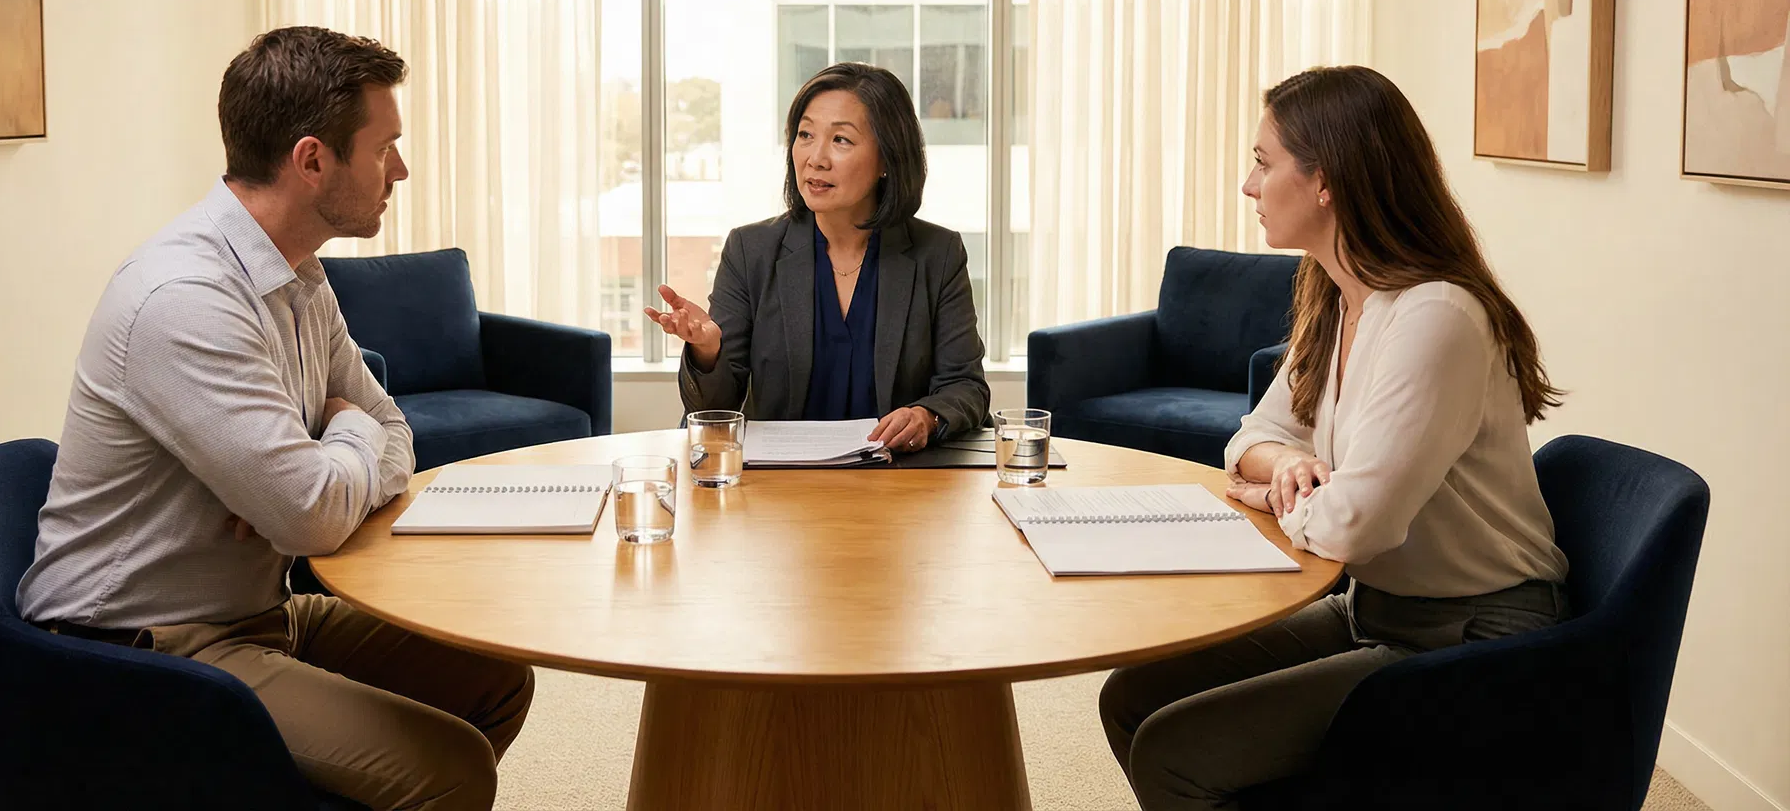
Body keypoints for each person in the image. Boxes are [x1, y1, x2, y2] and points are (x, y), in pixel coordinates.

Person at [16, 26, 533, 811]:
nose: (402, 169)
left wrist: (331, 444)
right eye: (385, 146)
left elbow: (393, 430)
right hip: (136, 651)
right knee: (451, 768)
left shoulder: (298, 276)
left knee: (496, 676)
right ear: (313, 159)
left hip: (257, 613)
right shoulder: (185, 299)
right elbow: (315, 515)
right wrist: (329, 450)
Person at [1096, 65, 1569, 809]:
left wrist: (1268, 492)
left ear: (1327, 182)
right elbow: (1251, 434)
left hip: (1476, 638)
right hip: (1372, 608)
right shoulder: (1336, 292)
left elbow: (1358, 525)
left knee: (1175, 752)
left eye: (1263, 162)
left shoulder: (1434, 318)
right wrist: (1284, 461)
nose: (1249, 185)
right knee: (1133, 695)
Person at [646, 61, 990, 451]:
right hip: (779, 487)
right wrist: (707, 352)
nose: (816, 158)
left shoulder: (937, 254)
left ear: (887, 159)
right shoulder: (750, 250)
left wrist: (926, 416)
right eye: (805, 134)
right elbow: (715, 408)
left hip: (897, 482)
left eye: (841, 140)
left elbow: (966, 385)